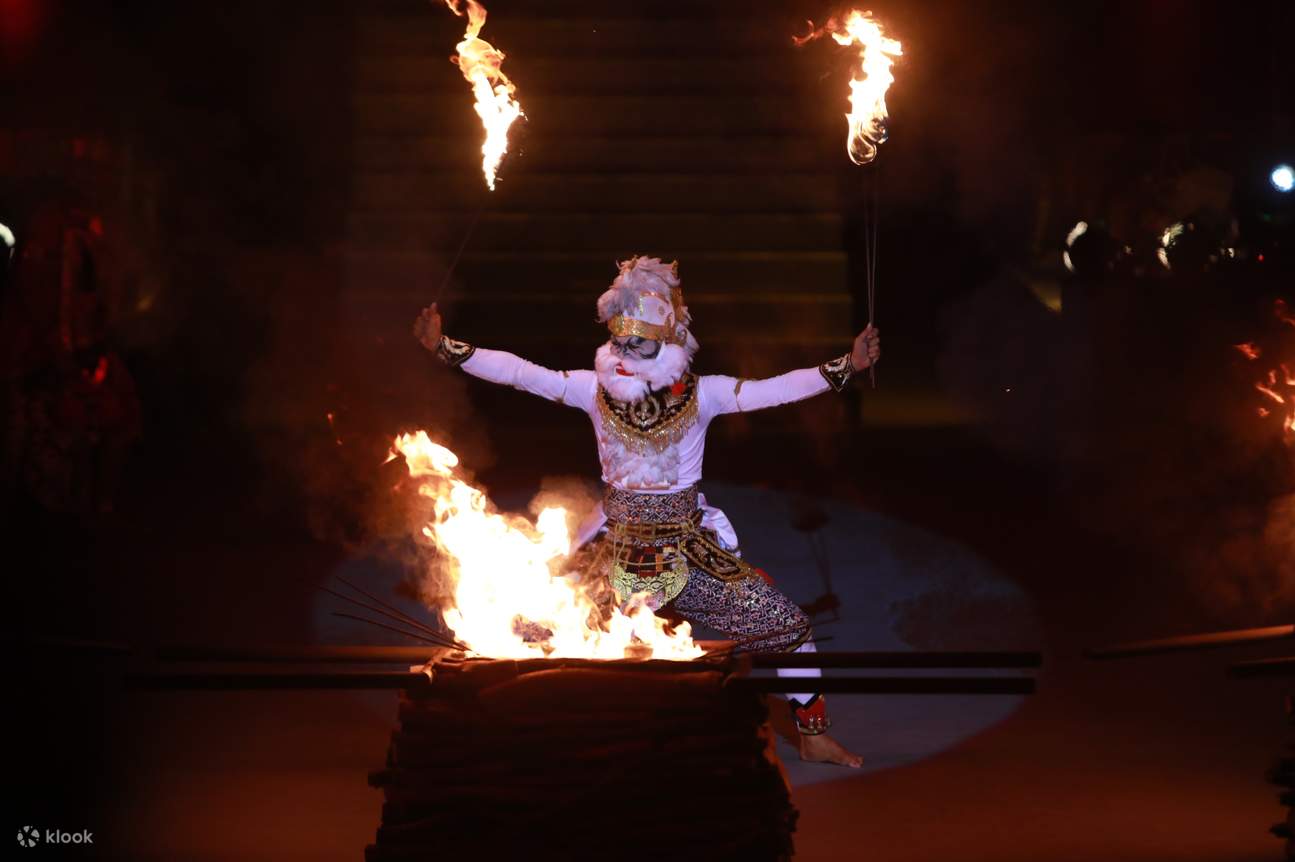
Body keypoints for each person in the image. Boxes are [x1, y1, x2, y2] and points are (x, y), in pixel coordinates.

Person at [414, 255, 881, 767]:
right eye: (619, 342)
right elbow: (520, 373)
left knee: (787, 628)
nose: (626, 355)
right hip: (613, 549)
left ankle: (813, 736)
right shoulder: (591, 389)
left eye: (639, 344)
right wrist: (444, 346)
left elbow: (777, 390)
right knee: (523, 626)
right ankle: (521, 733)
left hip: (689, 551)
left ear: (669, 344)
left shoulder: (705, 394)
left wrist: (848, 365)